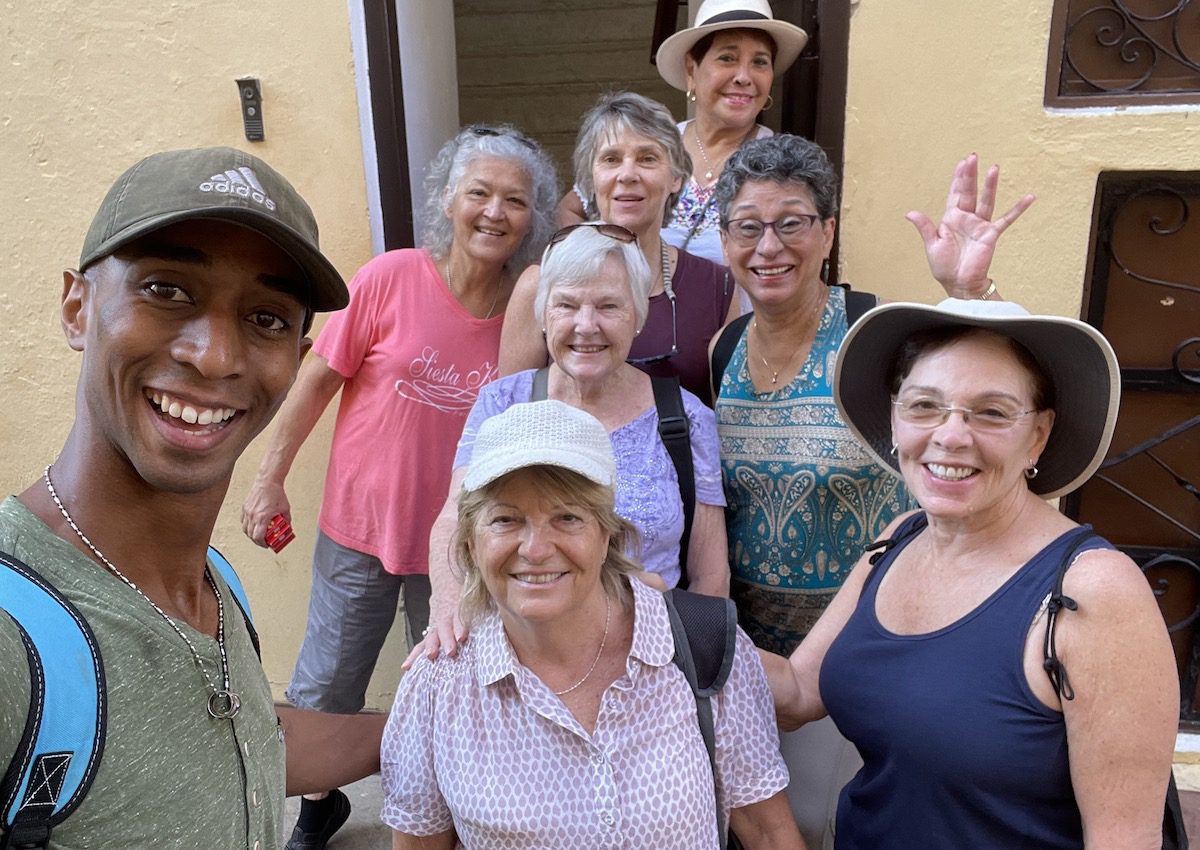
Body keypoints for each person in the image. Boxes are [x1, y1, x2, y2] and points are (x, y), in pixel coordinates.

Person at [0, 147, 387, 849]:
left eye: (267, 318)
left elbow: (238, 744)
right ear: (77, 307)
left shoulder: (216, 586)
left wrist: (418, 727)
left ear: (296, 361)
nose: (214, 355)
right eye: (167, 290)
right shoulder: (11, 635)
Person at [710, 133, 1034, 848]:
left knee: (854, 826)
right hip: (762, 662)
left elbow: (995, 389)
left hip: (872, 653)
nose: (769, 245)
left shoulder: (872, 336)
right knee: (774, 829)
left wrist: (972, 294)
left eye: (792, 221)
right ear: (724, 237)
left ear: (827, 232)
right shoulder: (724, 350)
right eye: (747, 225)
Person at [238, 125, 558, 849]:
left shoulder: (526, 311)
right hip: (359, 528)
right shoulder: (389, 276)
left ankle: (440, 820)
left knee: (452, 688)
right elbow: (316, 380)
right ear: (448, 199)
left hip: (463, 546)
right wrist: (269, 479)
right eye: (479, 192)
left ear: (531, 218)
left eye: (514, 200)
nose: (494, 212)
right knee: (324, 689)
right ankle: (319, 805)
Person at [761, 297, 1178, 848]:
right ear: (894, 417)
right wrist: (654, 615)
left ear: (1039, 434)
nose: (952, 436)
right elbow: (796, 694)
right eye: (924, 405)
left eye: (992, 412)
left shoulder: (1092, 591)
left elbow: (1124, 839)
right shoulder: (899, 536)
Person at [382, 399, 804, 849]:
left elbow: (767, 833)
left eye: (568, 517)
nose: (536, 548)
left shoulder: (701, 646)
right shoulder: (437, 684)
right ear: (470, 542)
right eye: (506, 519)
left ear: (606, 535)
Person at [423, 223, 730, 657]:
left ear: (638, 315)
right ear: (544, 314)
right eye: (567, 304)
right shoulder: (505, 403)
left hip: (652, 658)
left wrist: (701, 661)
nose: (586, 326)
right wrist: (449, 605)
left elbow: (710, 574)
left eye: (609, 306)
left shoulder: (685, 419)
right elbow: (455, 522)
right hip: (519, 653)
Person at [500, 91, 737, 401]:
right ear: (589, 180)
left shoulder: (717, 288)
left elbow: (727, 417)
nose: (627, 174)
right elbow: (508, 415)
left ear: (677, 178)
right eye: (611, 159)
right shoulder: (539, 284)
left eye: (647, 158)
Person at [557, 0, 809, 275]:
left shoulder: (783, 164)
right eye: (727, 58)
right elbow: (570, 210)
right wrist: (595, 268)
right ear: (692, 69)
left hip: (735, 316)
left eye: (759, 62)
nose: (743, 77)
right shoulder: (654, 143)